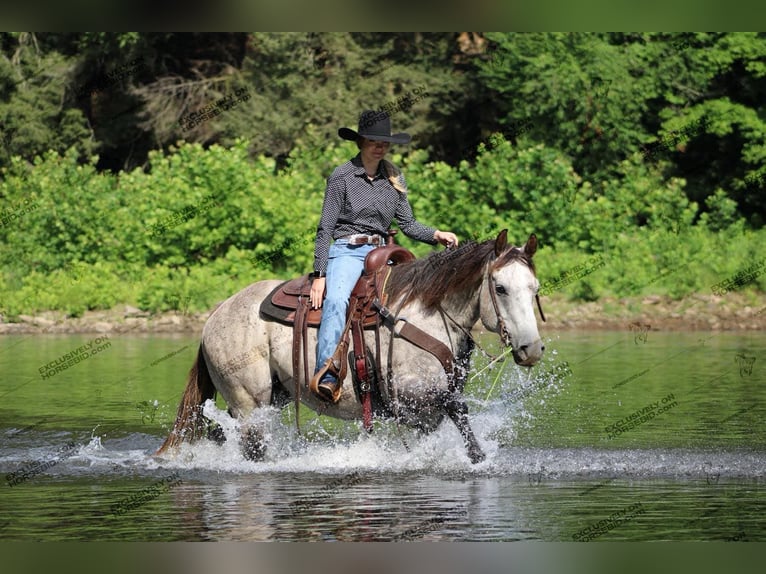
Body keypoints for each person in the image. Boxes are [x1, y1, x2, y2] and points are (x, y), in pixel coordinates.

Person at [309, 109, 459, 402]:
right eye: (373, 140)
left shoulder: (394, 177)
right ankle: (326, 371)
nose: (380, 146)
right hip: (347, 250)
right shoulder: (341, 176)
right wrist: (319, 275)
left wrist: (436, 234)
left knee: (411, 304)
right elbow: (325, 227)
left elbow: (408, 224)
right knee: (338, 300)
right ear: (361, 141)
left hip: (384, 253)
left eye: (384, 142)